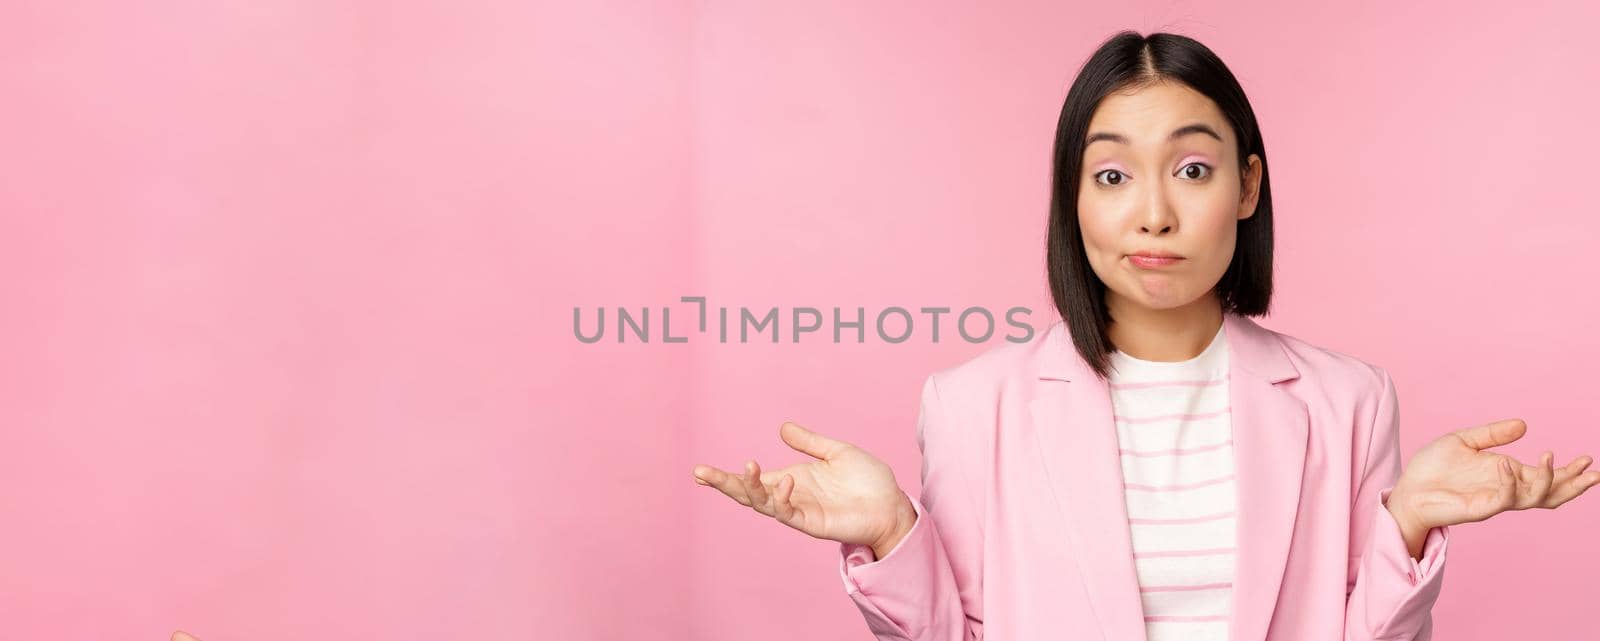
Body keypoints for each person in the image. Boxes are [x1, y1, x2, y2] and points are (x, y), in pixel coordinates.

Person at [690, 30, 1599, 641]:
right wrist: (894, 533)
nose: (1154, 214)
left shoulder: (1348, 399)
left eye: (1193, 169)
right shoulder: (972, 406)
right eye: (1114, 175)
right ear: (1072, 198)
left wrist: (1408, 526)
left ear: (1246, 189)